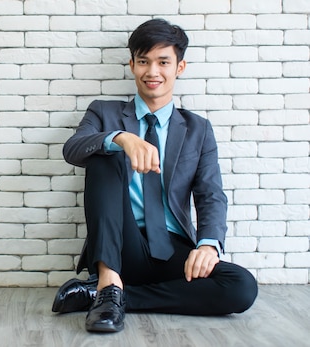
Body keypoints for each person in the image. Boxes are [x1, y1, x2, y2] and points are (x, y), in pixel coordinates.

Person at [53, 19, 258, 333]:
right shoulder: (103, 111)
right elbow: (73, 149)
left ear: (180, 67)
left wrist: (207, 246)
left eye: (163, 62)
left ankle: (108, 295)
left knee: (241, 286)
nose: (153, 72)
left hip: (171, 248)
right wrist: (120, 138)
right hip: (120, 245)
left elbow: (210, 194)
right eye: (144, 61)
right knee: (104, 155)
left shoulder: (197, 129)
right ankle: (108, 279)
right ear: (132, 64)